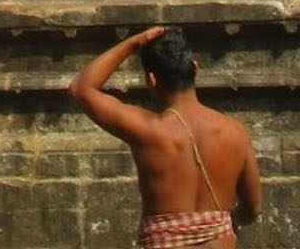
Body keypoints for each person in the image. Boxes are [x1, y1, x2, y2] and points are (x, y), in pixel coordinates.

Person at [69, 26, 262, 249]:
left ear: (152, 80)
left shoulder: (147, 130)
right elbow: (253, 207)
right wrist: (224, 224)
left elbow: (81, 89)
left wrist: (132, 43)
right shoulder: (236, 133)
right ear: (195, 68)